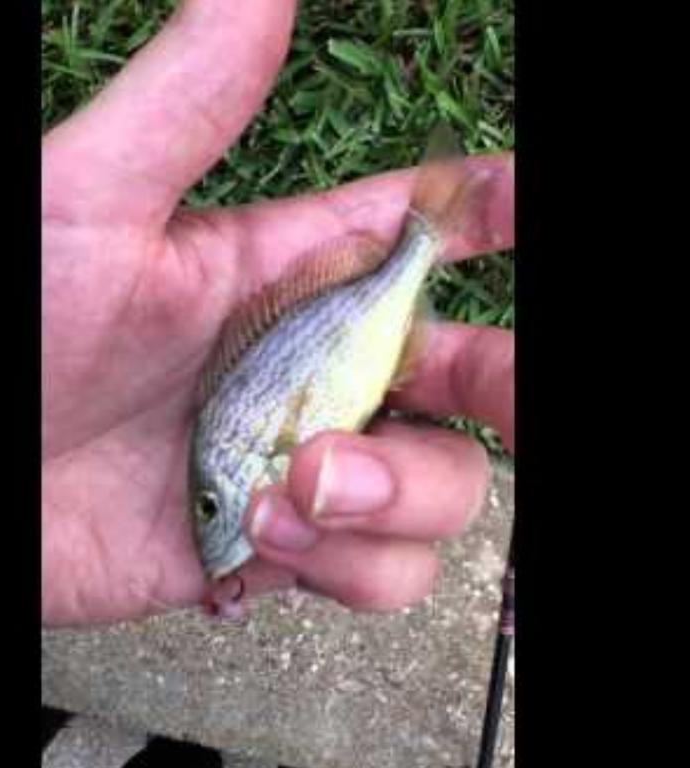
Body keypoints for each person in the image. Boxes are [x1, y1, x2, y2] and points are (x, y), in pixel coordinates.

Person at [41, 0, 514, 627]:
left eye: (210, 506)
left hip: (346, 321)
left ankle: (424, 235)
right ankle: (425, 236)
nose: (210, 524)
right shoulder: (248, 474)